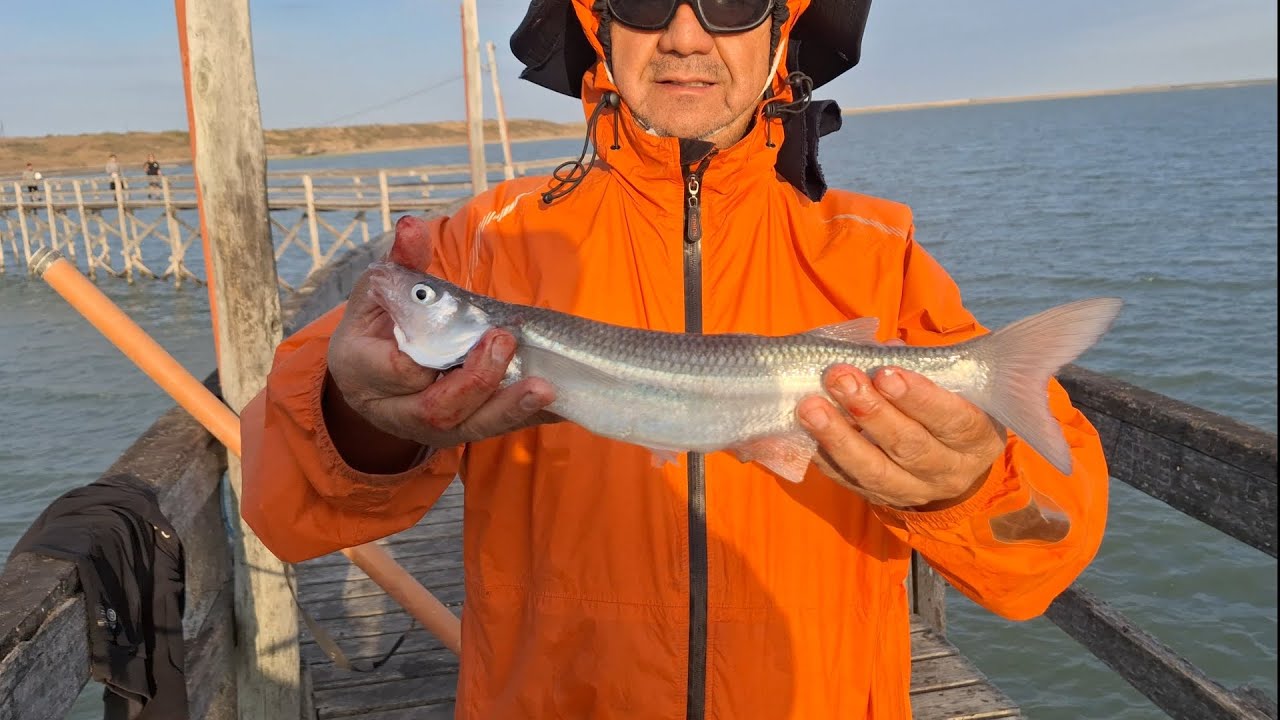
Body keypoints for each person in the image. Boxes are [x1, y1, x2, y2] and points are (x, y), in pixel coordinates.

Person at [242, 1, 1111, 718]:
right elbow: (282, 507)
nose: (687, 35)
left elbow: (1041, 558)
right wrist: (362, 420)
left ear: (781, 30)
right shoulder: (480, 246)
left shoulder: (881, 257)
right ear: (598, 24)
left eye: (733, 3)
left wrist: (965, 484)